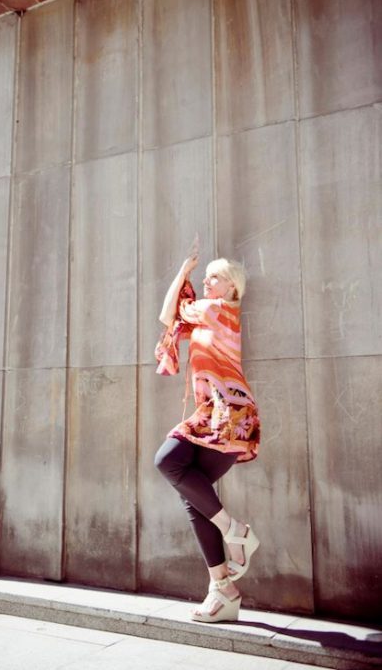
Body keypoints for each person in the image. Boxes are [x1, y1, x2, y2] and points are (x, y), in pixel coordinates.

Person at [154, 253, 261, 623]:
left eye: (214, 277)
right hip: (217, 414)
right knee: (194, 497)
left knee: (167, 461)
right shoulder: (208, 313)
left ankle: (236, 531)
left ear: (231, 287)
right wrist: (183, 272)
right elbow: (170, 317)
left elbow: (170, 313)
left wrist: (183, 273)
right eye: (206, 276)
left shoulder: (216, 309)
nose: (206, 281)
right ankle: (223, 590)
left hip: (229, 414)